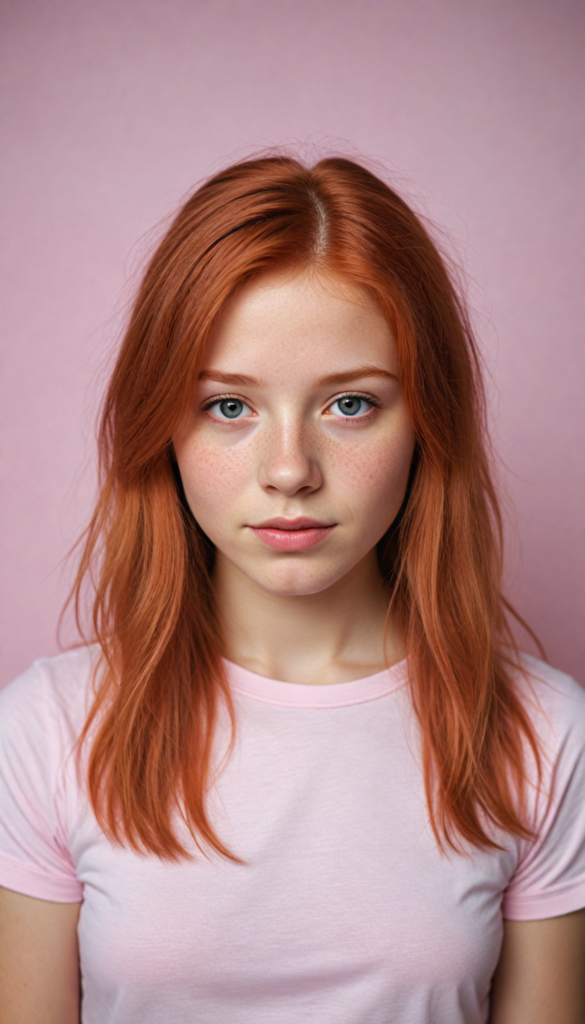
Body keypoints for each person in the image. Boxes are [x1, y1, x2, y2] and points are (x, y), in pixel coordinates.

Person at [0, 155, 584, 1024]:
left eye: (348, 405)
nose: (288, 471)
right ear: (161, 423)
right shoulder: (50, 728)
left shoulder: (541, 733)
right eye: (228, 407)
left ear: (427, 420)